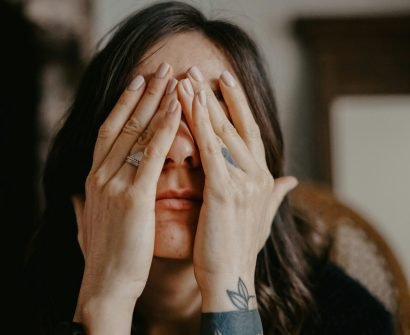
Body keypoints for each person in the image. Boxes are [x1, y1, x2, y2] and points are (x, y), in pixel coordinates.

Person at [22, 1, 394, 334]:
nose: (180, 149)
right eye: (147, 111)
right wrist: (105, 304)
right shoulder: (22, 304)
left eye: (215, 117)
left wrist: (229, 285)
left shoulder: (348, 317)